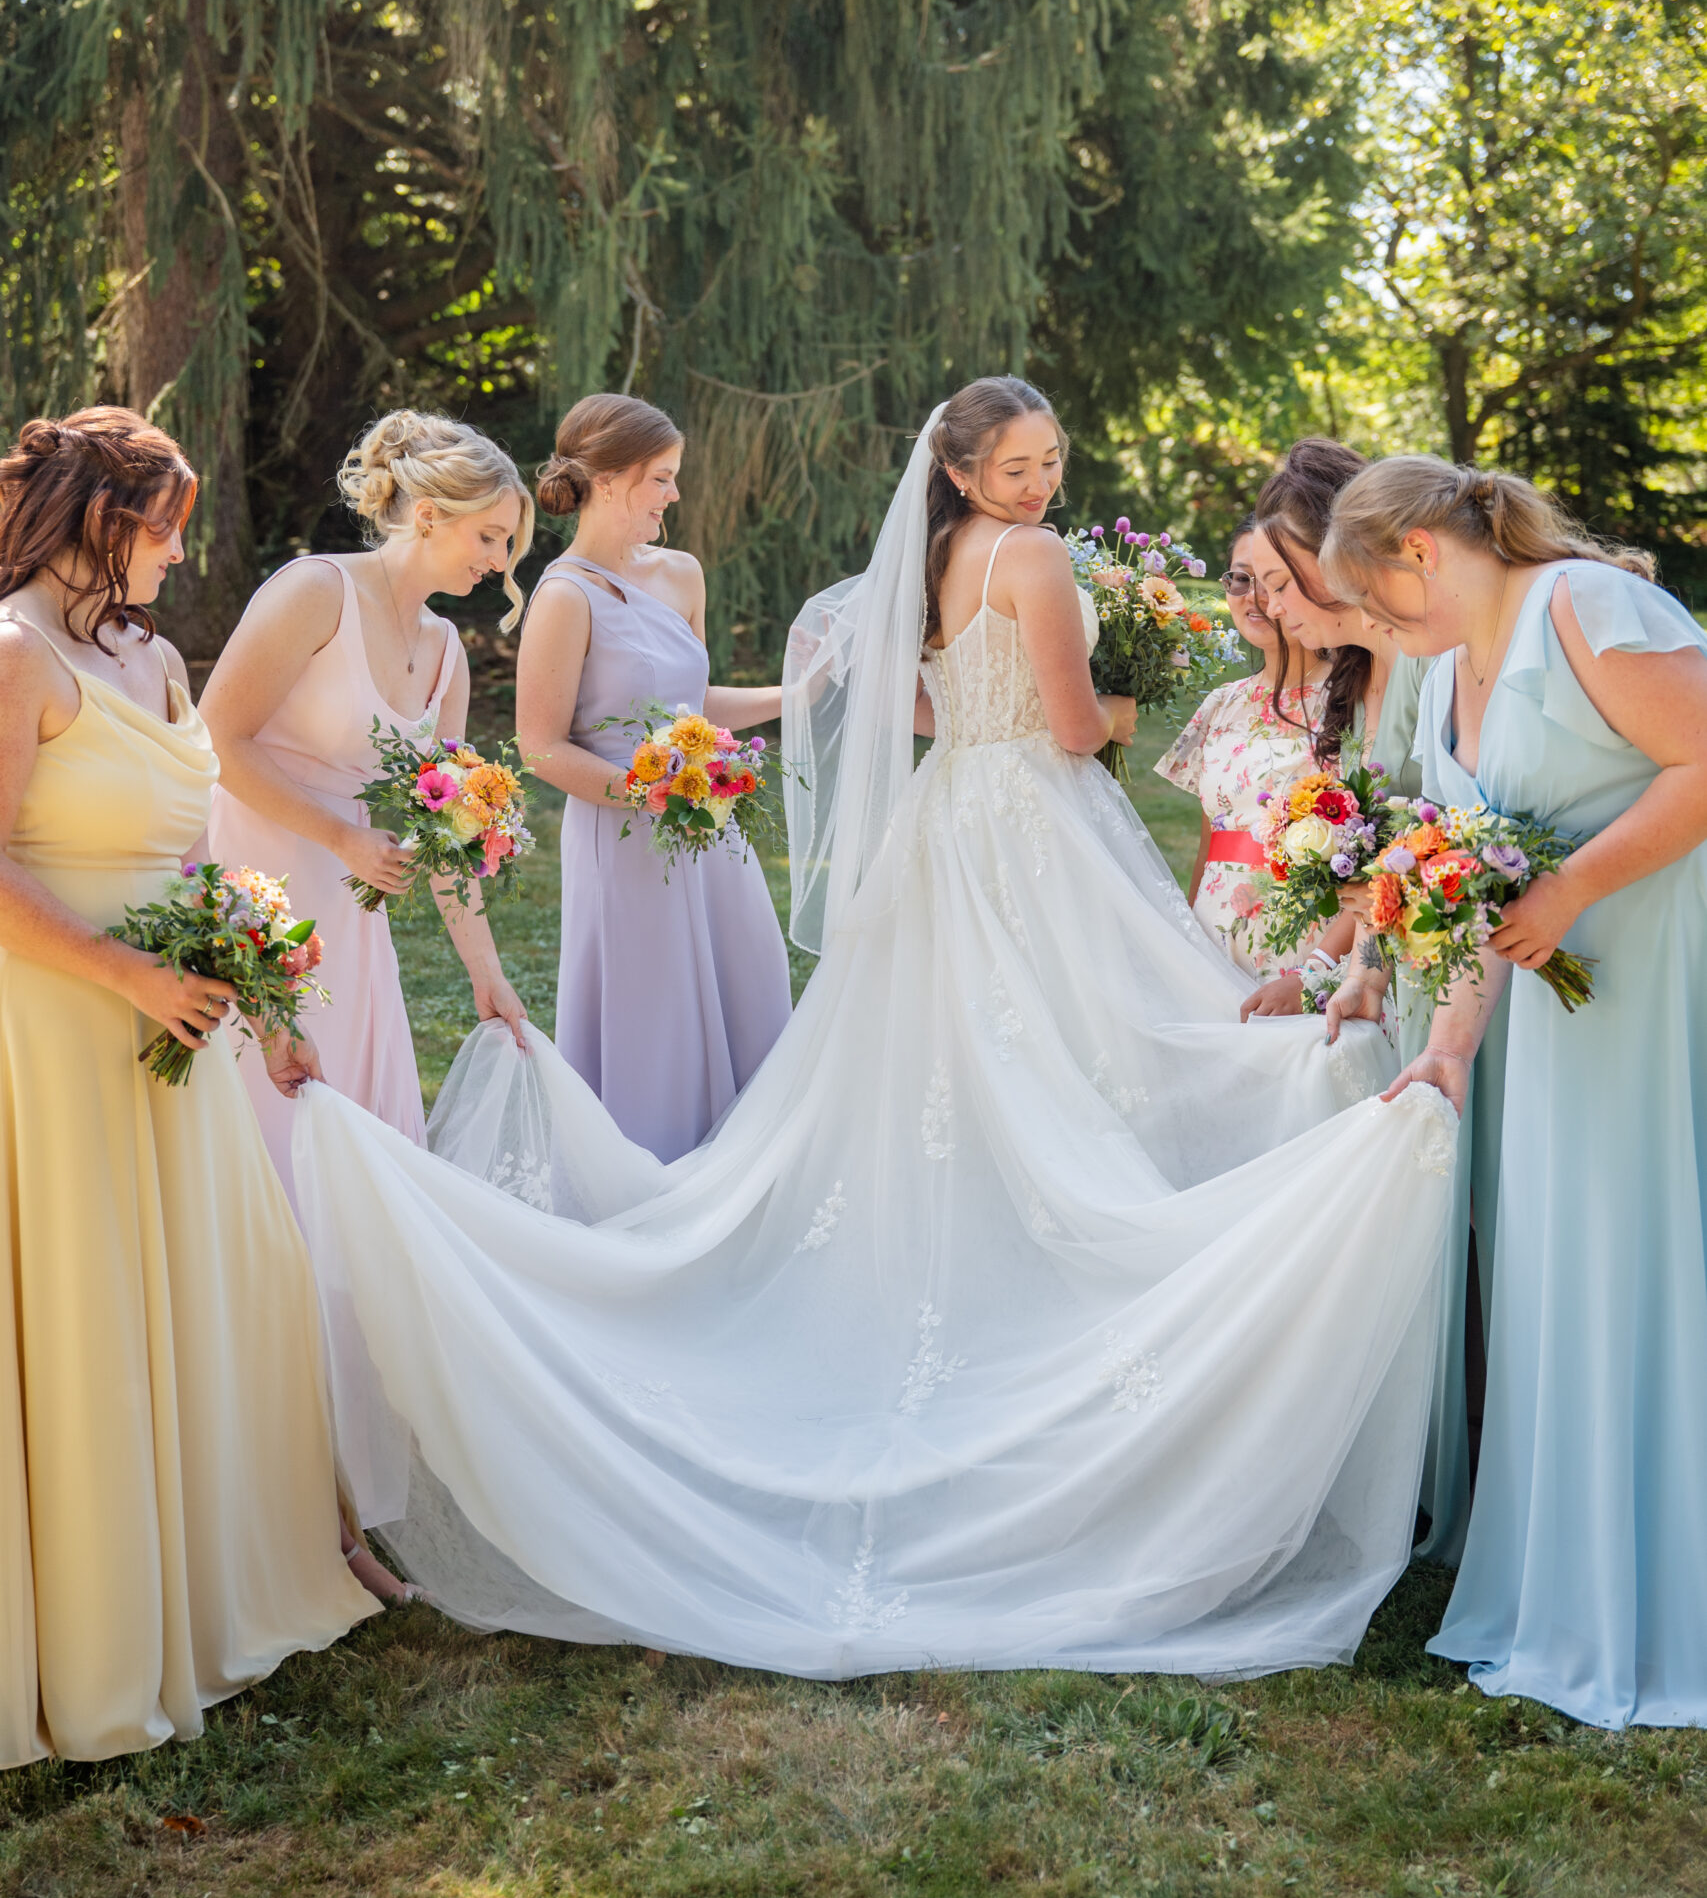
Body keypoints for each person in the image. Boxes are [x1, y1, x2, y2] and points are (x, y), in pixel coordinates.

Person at [285, 377, 1456, 1683]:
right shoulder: (1033, 557)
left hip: (946, 817)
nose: (1040, 483)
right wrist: (1107, 703)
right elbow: (1075, 730)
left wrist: (983, 710)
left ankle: (963, 1276)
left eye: (1050, 459)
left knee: (951, 1062)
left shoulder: (939, 553)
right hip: (1028, 817)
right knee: (1078, 1043)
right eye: (1017, 464)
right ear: (961, 470)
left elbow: (910, 701)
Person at [0, 410, 375, 1767]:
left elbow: (193, 856)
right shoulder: (14, 655)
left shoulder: (153, 656)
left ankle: (225, 1579)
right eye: (165, 528)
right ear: (105, 523)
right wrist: (128, 978)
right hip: (60, 1025)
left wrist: (263, 1005)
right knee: (89, 1313)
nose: (180, 553)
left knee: (233, 1289)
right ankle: (96, 1636)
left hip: (183, 1026)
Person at [1323, 454, 1707, 1727]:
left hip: (1656, 980)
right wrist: (1450, 1048)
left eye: (1369, 600)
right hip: (1551, 1017)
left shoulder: (1587, 607)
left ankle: (1662, 1587)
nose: (1367, 629)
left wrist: (1576, 887)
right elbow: (1476, 879)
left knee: (1642, 1257)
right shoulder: (1445, 674)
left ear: (1421, 552)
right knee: (1570, 1271)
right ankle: (1579, 1573)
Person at [1246, 434, 1488, 1563]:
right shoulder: (1362, 673)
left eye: (1288, 580)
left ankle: (1467, 1440)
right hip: (1416, 959)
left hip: (1467, 955)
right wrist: (1353, 965)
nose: (1277, 606)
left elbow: (1444, 827)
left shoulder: (1434, 663)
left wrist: (1370, 955)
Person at [201, 412, 531, 1192]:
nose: (499, 561)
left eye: (508, 544)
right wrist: (342, 838)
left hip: (350, 904)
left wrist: (485, 971)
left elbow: (445, 825)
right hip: (256, 874)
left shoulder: (447, 650)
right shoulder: (316, 590)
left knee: (348, 1103)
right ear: (429, 516)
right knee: (268, 1105)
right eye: (489, 537)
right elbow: (216, 739)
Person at [513, 394, 791, 1161]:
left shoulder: (682, 574)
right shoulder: (564, 597)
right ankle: (649, 1174)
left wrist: (795, 695)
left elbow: (693, 701)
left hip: (708, 826)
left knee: (749, 981)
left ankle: (740, 1172)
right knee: (655, 1013)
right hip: (624, 839)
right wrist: (646, 794)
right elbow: (540, 746)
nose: (674, 494)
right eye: (661, 478)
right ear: (607, 480)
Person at [1154, 516, 1330, 970]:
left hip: (1302, 950)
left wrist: (1322, 969)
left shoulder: (1348, 699)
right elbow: (1210, 843)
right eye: (1240, 579)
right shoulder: (1220, 704)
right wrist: (1191, 954)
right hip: (1213, 942)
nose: (1254, 596)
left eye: (1272, 580)